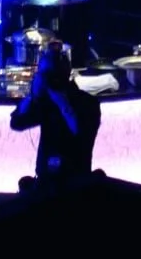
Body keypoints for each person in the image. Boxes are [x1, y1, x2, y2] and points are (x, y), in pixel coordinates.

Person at [10, 42, 102, 191]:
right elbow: (17, 123)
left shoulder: (87, 102)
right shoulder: (45, 102)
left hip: (76, 182)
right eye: (41, 75)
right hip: (45, 180)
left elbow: (82, 134)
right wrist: (32, 96)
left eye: (45, 75)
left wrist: (63, 104)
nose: (43, 79)